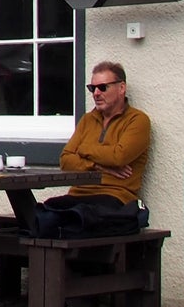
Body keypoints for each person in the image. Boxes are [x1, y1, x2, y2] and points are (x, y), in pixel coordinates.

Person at [60, 60, 150, 207]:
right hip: (78, 194)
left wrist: (83, 149)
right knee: (39, 215)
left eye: (102, 87)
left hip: (115, 196)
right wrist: (97, 165)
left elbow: (119, 157)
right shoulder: (87, 119)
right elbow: (65, 161)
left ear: (121, 88)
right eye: (92, 88)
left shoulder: (137, 120)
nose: (96, 93)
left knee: (78, 219)